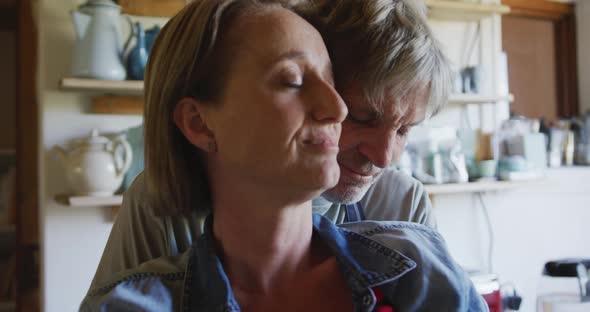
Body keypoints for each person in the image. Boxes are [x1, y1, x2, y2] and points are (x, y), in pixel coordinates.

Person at [81, 0, 486, 311]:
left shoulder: (414, 256)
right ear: (200, 125)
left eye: (404, 130)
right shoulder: (145, 266)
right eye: (363, 115)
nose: (383, 157)